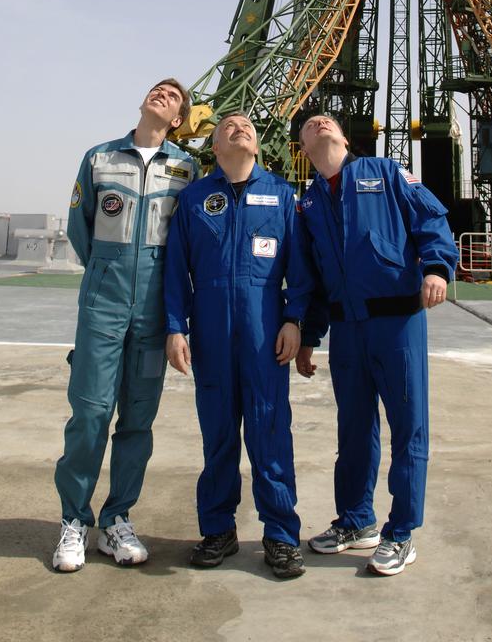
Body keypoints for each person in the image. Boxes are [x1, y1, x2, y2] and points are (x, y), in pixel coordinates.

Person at [295, 112, 457, 577]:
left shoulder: (385, 172)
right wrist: (309, 337)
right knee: (354, 429)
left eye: (327, 121)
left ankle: (401, 531)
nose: (320, 123)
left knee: (408, 427)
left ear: (344, 137)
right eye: (310, 126)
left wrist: (435, 267)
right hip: (347, 330)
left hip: (396, 321)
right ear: (303, 149)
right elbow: (314, 279)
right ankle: (355, 520)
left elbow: (430, 216)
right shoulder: (307, 205)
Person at [52, 78, 199, 573]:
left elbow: (187, 241)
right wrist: (108, 274)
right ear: (143, 103)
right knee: (90, 413)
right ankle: (75, 520)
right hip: (104, 305)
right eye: (157, 89)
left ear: (178, 120)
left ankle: (116, 520)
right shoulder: (99, 159)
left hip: (155, 310)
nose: (162, 94)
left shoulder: (186, 167)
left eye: (173, 96)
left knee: (137, 420)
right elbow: (81, 227)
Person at [164, 112, 312, 580]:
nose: (239, 126)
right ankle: (218, 529)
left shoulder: (283, 196)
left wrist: (294, 319)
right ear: (213, 144)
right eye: (227, 124)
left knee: (270, 431)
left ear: (258, 145)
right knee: (218, 434)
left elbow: (301, 268)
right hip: (209, 328)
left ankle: (281, 535)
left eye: (247, 124)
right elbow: (174, 271)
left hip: (265, 328)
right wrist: (175, 327)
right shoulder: (193, 199)